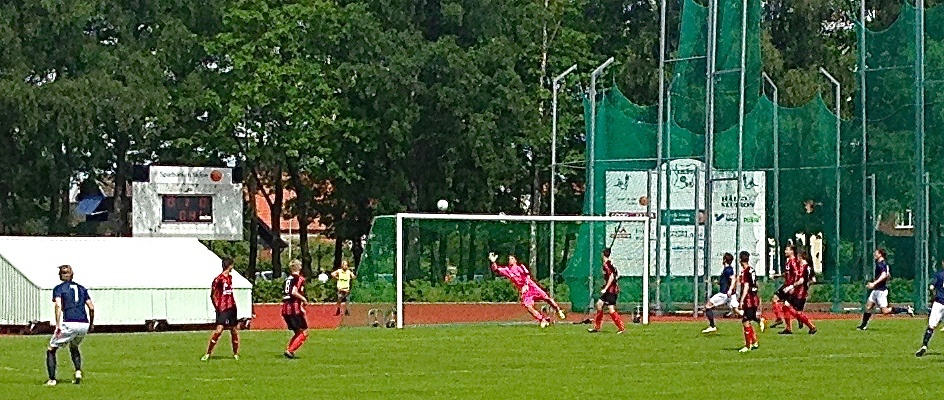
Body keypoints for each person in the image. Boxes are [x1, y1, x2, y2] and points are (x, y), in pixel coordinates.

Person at [46, 265, 95, 386]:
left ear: (61, 275)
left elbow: (58, 305)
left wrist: (58, 325)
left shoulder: (59, 289)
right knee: (74, 346)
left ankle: (52, 379)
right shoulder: (82, 288)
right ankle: (78, 371)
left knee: (51, 349)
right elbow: (91, 307)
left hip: (69, 322)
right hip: (83, 324)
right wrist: (91, 323)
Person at [489, 252, 566, 328]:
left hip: (532, 287)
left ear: (515, 260)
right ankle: (542, 319)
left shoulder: (520, 267)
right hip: (526, 292)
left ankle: (558, 310)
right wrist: (493, 261)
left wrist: (526, 285)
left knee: (547, 298)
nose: (510, 260)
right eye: (509, 259)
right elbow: (496, 269)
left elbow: (527, 275)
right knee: (528, 307)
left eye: (512, 258)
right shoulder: (507, 270)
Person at [857, 248, 914, 330]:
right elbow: (887, 275)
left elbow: (884, 275)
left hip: (881, 291)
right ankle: (863, 326)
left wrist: (874, 283)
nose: (874, 254)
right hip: (876, 290)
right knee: (868, 307)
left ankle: (905, 309)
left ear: (880, 254)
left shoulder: (882, 264)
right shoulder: (882, 264)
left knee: (885, 311)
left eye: (876, 253)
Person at [202, 258, 240, 361]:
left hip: (232, 307)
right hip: (223, 308)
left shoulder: (230, 278)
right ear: (230, 266)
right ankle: (208, 353)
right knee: (219, 330)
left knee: (234, 330)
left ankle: (235, 354)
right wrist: (217, 306)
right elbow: (212, 294)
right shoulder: (218, 279)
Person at [778, 250, 817, 335]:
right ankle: (788, 328)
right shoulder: (804, 267)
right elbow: (813, 280)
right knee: (786, 306)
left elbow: (802, 280)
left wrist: (791, 287)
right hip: (797, 292)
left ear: (801, 257)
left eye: (798, 256)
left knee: (797, 313)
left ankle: (811, 327)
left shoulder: (805, 267)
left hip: (800, 294)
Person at [702, 253, 742, 334]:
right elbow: (725, 281)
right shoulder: (726, 270)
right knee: (737, 310)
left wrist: (730, 289)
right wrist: (716, 282)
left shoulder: (728, 270)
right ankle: (757, 319)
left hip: (724, 294)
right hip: (729, 294)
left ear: (724, 260)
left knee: (708, 306)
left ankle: (712, 326)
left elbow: (733, 279)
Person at [588, 248, 625, 334]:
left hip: (611, 291)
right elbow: (617, 275)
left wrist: (605, 288)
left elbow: (612, 276)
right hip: (609, 290)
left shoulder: (607, 264)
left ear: (603, 255)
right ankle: (597, 327)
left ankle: (621, 328)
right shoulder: (609, 264)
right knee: (599, 304)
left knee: (611, 309)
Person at [916, 261, 944, 357]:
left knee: (931, 326)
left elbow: (932, 287)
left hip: (939, 302)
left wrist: (933, 295)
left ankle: (924, 345)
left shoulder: (939, 275)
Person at [282, 260, 309, 359]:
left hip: (285, 308)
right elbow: (294, 292)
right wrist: (304, 299)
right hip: (293, 308)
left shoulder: (287, 279)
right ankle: (290, 350)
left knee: (298, 331)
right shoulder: (298, 278)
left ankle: (289, 350)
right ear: (299, 267)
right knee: (303, 332)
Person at [769, 245, 800, 330]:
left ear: (792, 251)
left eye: (787, 250)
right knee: (777, 300)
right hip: (786, 285)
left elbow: (797, 274)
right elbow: (788, 273)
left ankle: (797, 318)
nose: (785, 251)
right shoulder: (789, 261)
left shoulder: (794, 262)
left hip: (790, 286)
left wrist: (793, 286)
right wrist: (779, 276)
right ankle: (782, 320)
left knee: (785, 305)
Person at [737, 252, 761, 353]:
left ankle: (748, 345)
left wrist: (741, 300)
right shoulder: (752, 270)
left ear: (740, 260)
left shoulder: (746, 271)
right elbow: (756, 284)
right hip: (754, 298)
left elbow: (746, 286)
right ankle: (754, 341)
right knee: (748, 320)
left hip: (749, 299)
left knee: (745, 321)